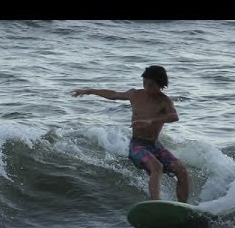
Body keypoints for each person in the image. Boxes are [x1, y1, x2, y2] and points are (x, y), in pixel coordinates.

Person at [71, 65, 189, 203]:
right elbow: (113, 94)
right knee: (157, 167)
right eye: (144, 83)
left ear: (160, 84)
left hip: (155, 145)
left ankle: (183, 207)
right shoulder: (135, 94)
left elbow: (174, 116)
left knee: (182, 170)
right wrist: (89, 91)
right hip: (137, 145)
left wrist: (151, 121)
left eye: (150, 85)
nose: (146, 87)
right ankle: (156, 204)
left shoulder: (164, 101)